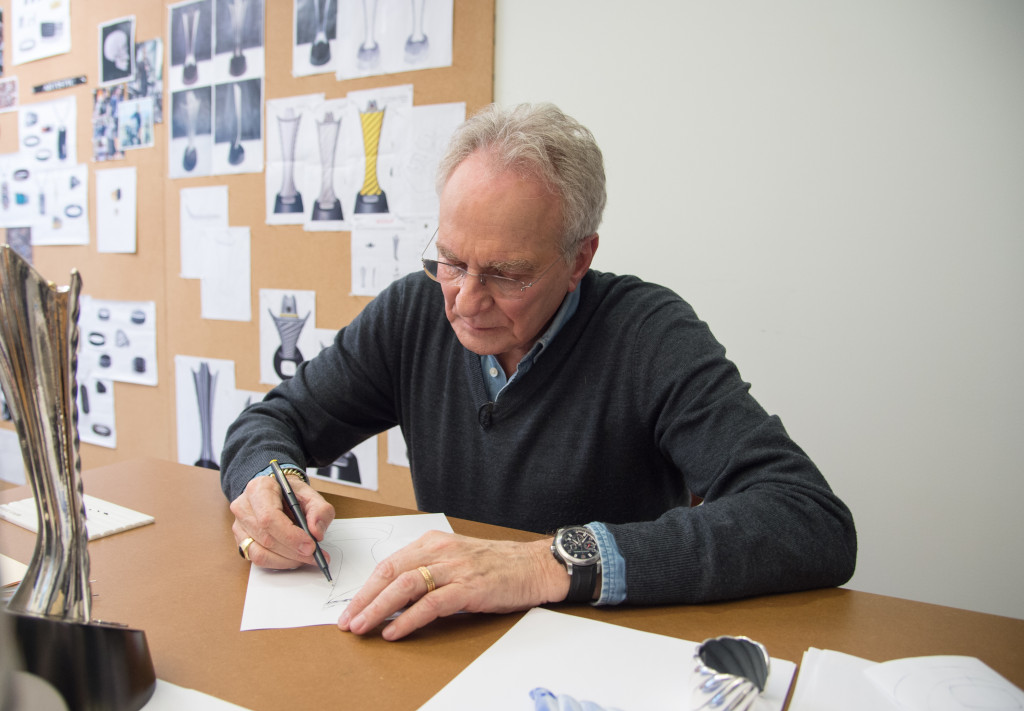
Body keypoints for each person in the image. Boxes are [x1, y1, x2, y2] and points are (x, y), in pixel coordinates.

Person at [221, 102, 857, 641]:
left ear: (579, 259)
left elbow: (808, 519)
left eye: (507, 275)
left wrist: (545, 564)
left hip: (598, 648)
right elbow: (272, 422)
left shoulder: (647, 334)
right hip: (442, 641)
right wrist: (268, 484)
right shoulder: (414, 312)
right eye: (450, 261)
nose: (465, 301)